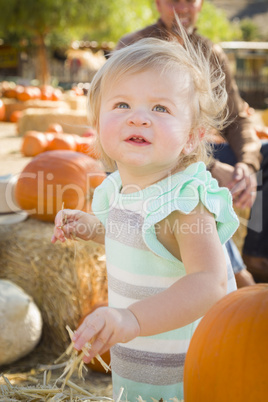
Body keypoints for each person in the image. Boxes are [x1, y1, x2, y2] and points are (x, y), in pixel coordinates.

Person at [52, 34, 239, 400]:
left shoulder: (184, 201)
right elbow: (133, 231)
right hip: (138, 367)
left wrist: (131, 319)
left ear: (191, 138)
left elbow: (210, 281)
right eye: (122, 104)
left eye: (160, 109)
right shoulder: (117, 188)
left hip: (186, 376)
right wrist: (90, 227)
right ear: (98, 124)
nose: (138, 118)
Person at [114, 0, 268, 284]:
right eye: (174, 0)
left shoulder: (210, 52)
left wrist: (247, 164)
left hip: (196, 149)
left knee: (265, 153)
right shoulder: (135, 47)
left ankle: (258, 257)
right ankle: (233, 274)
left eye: (190, 0)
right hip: (153, 158)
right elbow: (146, 131)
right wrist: (210, 167)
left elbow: (235, 118)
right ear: (158, 4)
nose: (182, 7)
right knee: (191, 188)